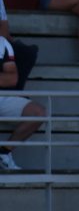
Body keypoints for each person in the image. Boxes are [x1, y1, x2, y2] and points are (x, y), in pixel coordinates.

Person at [0, 34, 45, 173]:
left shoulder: (2, 43)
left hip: (2, 96)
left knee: (38, 113)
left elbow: (12, 79)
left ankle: (4, 152)